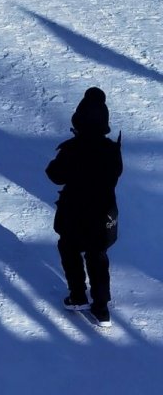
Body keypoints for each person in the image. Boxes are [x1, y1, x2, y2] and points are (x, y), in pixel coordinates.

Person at [45, 87, 122, 327]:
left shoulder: (72, 148)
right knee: (98, 255)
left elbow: (55, 174)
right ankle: (101, 308)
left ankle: (77, 295)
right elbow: (116, 174)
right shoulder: (111, 150)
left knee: (69, 248)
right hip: (103, 213)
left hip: (74, 212)